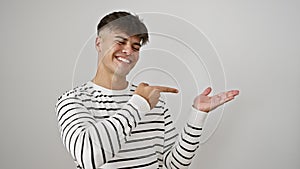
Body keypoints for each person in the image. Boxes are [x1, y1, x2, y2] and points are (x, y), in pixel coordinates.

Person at [55, 11, 239, 169]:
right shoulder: (72, 101)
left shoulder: (154, 102)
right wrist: (139, 105)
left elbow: (172, 164)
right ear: (98, 44)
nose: (129, 51)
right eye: (121, 42)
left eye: (136, 47)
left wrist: (197, 115)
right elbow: (88, 158)